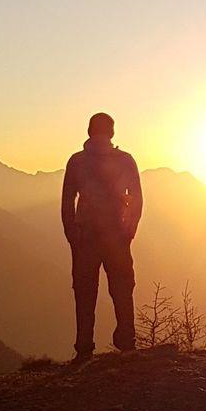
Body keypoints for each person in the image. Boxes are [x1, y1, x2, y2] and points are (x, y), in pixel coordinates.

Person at [61, 112, 143, 360]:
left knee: (85, 292)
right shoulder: (125, 160)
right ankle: (126, 342)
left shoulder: (76, 161)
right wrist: (129, 230)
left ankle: (84, 347)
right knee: (122, 288)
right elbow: (137, 199)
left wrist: (72, 234)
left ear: (89, 131)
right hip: (117, 235)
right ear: (112, 132)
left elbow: (67, 202)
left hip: (85, 236)